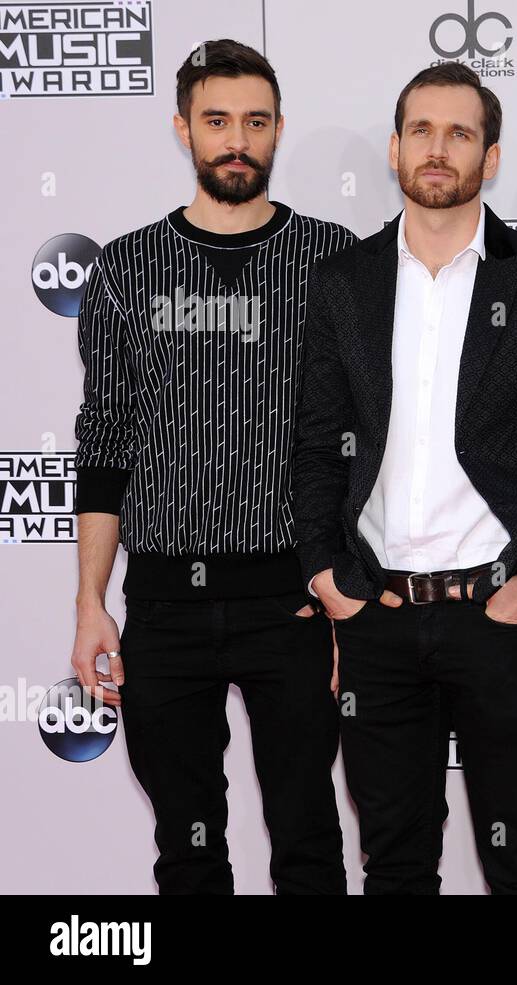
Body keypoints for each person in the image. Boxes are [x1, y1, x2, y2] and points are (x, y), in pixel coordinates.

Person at [292, 62, 517, 894]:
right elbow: (316, 447)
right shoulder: (342, 283)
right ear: (396, 148)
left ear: (490, 156)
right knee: (394, 860)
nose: (439, 149)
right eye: (422, 131)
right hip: (377, 615)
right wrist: (329, 578)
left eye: (460, 133)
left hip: (499, 614)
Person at [70, 39, 354, 894]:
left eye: (255, 122)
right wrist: (90, 601)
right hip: (163, 607)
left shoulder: (333, 260)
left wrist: (343, 600)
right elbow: (106, 440)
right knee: (189, 853)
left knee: (309, 842)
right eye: (218, 120)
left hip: (296, 605)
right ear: (183, 128)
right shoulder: (124, 269)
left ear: (276, 132)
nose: (238, 139)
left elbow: (359, 445)